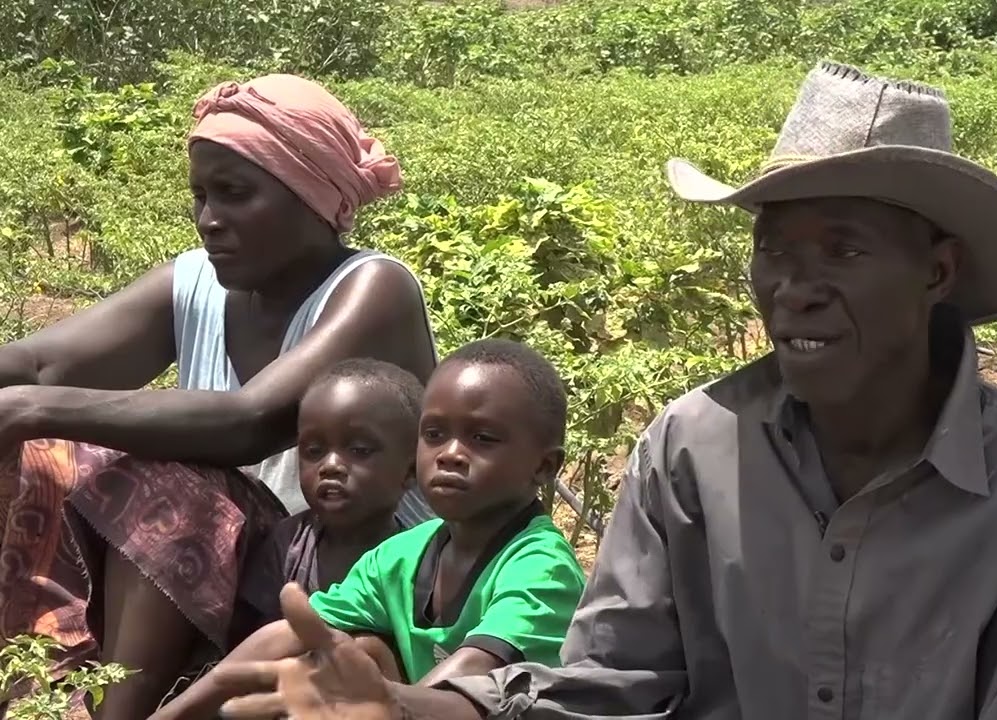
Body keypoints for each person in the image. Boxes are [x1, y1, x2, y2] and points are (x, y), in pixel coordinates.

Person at [213, 61, 997, 720]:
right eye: (774, 250)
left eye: (844, 250)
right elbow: (610, 687)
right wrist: (412, 711)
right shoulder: (694, 447)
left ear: (937, 271)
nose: (796, 284)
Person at [0, 74, 437, 720]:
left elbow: (250, 422)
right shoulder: (195, 283)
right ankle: (37, 688)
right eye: (201, 196)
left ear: (311, 197)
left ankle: (120, 711)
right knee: (38, 458)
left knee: (170, 481)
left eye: (235, 195)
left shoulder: (374, 290)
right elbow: (40, 363)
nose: (210, 219)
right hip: (227, 556)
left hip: (346, 560)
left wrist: (30, 409)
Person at [167, 338, 587, 720]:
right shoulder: (402, 554)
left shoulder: (540, 566)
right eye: (435, 434)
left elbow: (474, 677)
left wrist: (386, 707)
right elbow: (290, 634)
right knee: (358, 651)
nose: (451, 455)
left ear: (544, 467)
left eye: (482, 437)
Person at [151, 357, 424, 719]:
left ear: (408, 472)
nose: (330, 465)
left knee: (365, 649)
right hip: (277, 700)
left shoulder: (416, 560)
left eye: (359, 450)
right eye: (313, 451)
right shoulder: (287, 543)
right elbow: (248, 641)